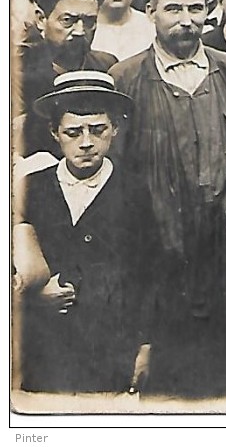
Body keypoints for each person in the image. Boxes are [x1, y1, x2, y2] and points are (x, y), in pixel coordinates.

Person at [109, 0, 226, 397]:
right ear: (151, 13)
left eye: (195, 9)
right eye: (173, 9)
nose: (185, 19)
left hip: (222, 233)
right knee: (168, 360)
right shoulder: (127, 77)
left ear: (209, 13)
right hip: (158, 234)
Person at [14, 71, 157, 393]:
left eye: (98, 130)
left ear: (115, 129)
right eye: (73, 132)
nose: (86, 143)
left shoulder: (134, 191)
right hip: (45, 350)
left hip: (110, 348)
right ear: (55, 133)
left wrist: (145, 345)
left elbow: (150, 272)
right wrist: (34, 296)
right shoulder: (32, 188)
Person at [14, 0, 118, 163]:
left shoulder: (106, 66)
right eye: (67, 21)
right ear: (41, 20)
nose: (80, 31)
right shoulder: (17, 70)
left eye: (89, 21)